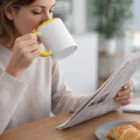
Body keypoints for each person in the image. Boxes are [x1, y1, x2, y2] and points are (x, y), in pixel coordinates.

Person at [0, 0, 133, 135]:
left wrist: (107, 96)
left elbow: (62, 101)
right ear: (10, 11)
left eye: (51, 10)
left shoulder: (45, 49)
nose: (47, 19)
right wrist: (15, 70)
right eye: (37, 11)